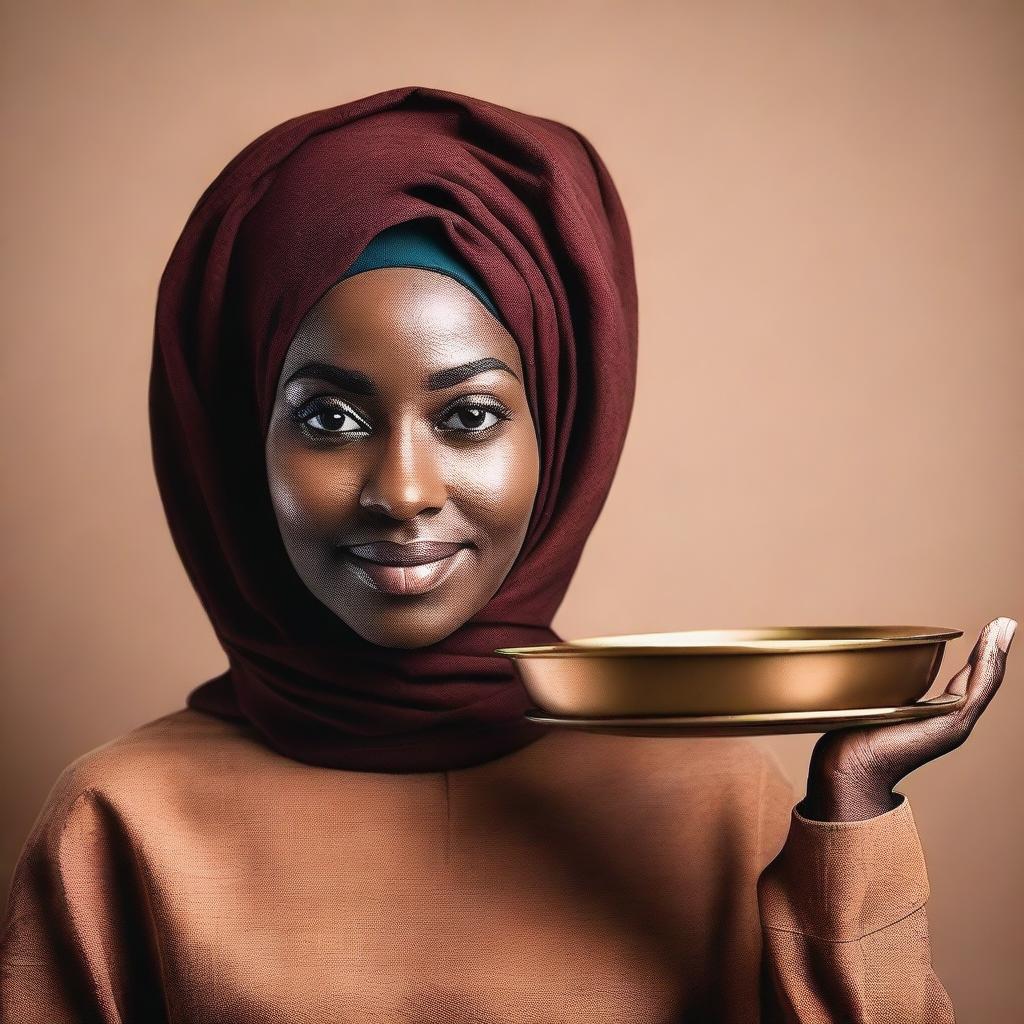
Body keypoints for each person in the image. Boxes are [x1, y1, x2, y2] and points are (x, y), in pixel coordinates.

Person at [0, 84, 1015, 1023]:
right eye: (328, 418)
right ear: (232, 440)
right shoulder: (118, 826)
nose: (402, 491)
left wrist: (849, 826)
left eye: (471, 414)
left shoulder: (720, 807)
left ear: (562, 432)